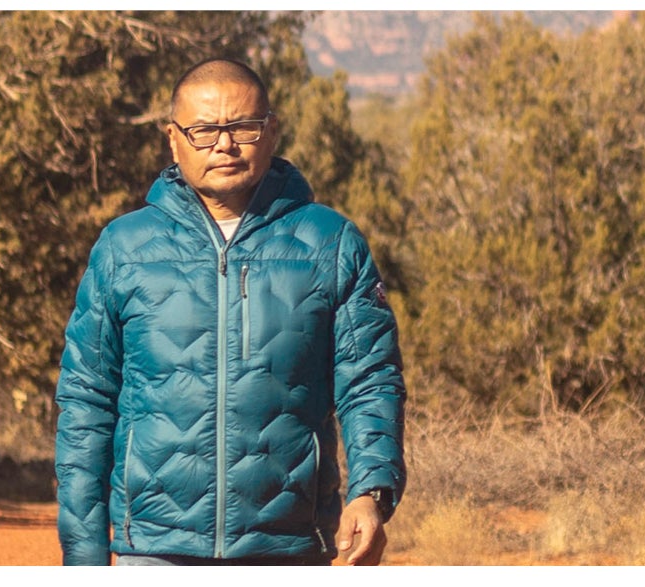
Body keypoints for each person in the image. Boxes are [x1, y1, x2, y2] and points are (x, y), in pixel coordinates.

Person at [56, 60, 402, 564]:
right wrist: (83, 557)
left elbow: (370, 380)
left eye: (243, 126)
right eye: (203, 130)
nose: (224, 144)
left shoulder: (330, 243)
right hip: (151, 548)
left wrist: (370, 492)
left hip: (289, 547)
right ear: (173, 139)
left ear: (272, 130)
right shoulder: (124, 248)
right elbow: (86, 403)